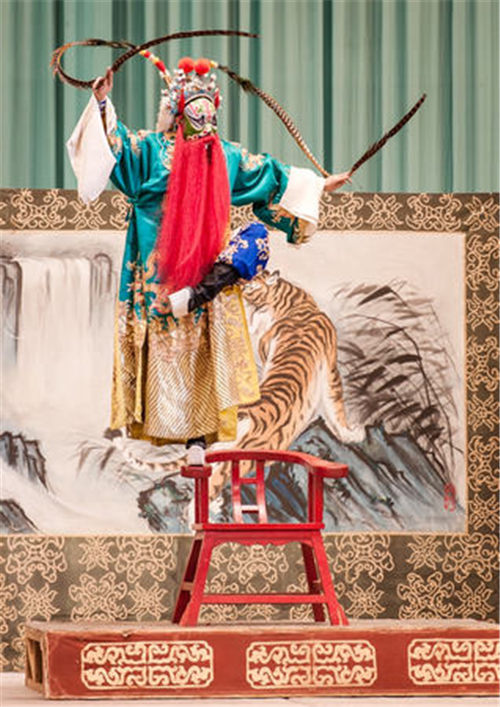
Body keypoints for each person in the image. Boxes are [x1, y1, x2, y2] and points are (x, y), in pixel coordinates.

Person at [67, 59, 351, 465]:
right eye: (194, 112)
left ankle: (198, 439)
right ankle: (163, 428)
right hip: (157, 267)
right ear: (178, 114)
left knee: (205, 345)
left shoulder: (225, 157)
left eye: (208, 113)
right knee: (164, 346)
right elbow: (115, 147)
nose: (202, 121)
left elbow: (271, 175)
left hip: (204, 268)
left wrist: (320, 185)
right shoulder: (151, 151)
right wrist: (100, 102)